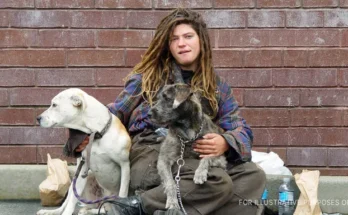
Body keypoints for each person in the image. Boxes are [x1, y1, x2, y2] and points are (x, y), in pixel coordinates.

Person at [78, 8, 266, 215]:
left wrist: (225, 142)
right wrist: (83, 132)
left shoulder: (217, 87)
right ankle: (135, 206)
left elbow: (240, 129)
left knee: (252, 176)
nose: (181, 43)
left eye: (188, 36)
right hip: (152, 154)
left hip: (195, 153)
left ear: (201, 40)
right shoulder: (147, 77)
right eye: (174, 39)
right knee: (217, 182)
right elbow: (115, 112)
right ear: (168, 46)